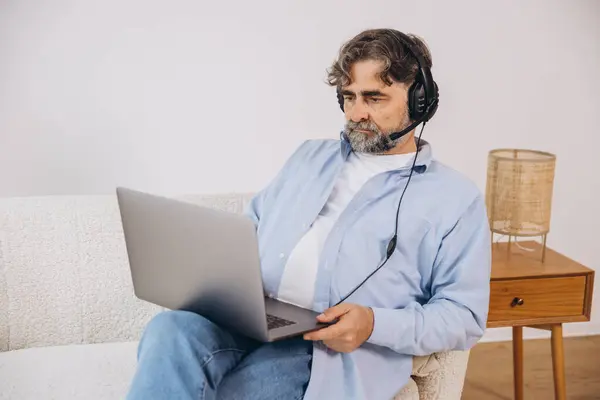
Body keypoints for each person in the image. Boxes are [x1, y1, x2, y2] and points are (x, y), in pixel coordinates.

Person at [126, 28, 491, 400]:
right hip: (252, 320)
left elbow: (465, 315)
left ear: (419, 100)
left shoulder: (454, 198)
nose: (357, 112)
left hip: (327, 351)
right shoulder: (307, 158)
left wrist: (373, 323)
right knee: (170, 330)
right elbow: (248, 232)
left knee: (234, 393)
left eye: (374, 98)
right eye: (348, 97)